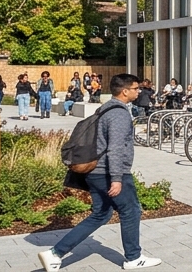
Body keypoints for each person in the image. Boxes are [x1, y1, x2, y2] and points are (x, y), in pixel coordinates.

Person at [37, 73, 161, 271]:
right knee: (131, 211)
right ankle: (134, 257)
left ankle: (54, 254)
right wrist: (117, 178)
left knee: (101, 214)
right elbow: (115, 148)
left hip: (95, 172)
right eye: (136, 88)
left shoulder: (105, 108)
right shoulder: (119, 114)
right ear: (125, 91)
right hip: (109, 172)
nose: (139, 91)